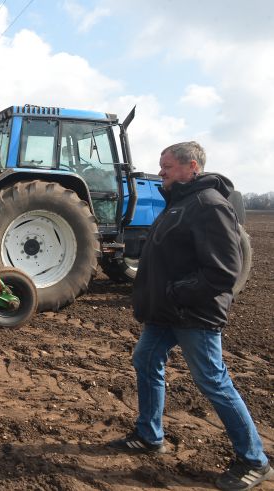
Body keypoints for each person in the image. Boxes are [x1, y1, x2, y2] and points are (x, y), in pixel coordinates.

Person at [109, 142, 271, 490]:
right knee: (146, 358)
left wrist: (176, 293)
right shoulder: (180, 203)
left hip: (192, 312)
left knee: (213, 380)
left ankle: (254, 459)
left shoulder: (209, 206)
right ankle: (150, 435)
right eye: (161, 165)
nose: (161, 171)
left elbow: (224, 270)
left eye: (166, 166)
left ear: (191, 167)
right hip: (168, 312)